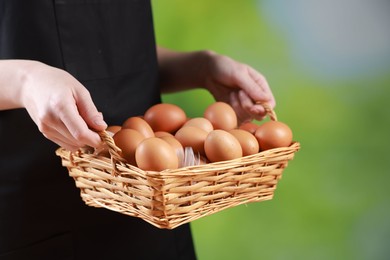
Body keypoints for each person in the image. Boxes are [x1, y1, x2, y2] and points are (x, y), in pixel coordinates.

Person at [0, 1, 275, 259]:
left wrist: (199, 67)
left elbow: (111, 50)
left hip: (155, 205)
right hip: (38, 208)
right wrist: (23, 82)